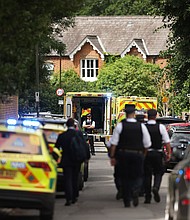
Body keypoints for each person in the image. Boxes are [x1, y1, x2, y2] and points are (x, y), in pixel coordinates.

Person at [109, 104, 152, 208]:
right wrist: (143, 154)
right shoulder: (141, 126)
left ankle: (127, 200)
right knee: (138, 175)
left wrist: (112, 156)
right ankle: (136, 191)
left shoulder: (120, 126)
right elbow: (147, 143)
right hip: (137, 155)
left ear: (125, 114)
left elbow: (114, 143)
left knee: (125, 177)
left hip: (123, 154)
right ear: (134, 114)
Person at [55, 118, 89, 206]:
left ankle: (68, 198)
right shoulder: (78, 134)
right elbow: (85, 145)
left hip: (66, 160)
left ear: (66, 125)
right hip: (77, 159)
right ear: (74, 125)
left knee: (67, 179)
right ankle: (75, 196)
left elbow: (56, 147)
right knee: (75, 177)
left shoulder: (62, 135)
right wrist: (86, 157)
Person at [144, 109, 171, 204]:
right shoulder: (161, 127)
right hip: (158, 153)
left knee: (146, 175)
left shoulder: (144, 127)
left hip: (146, 153)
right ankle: (156, 187)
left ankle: (147, 196)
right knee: (158, 172)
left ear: (147, 116)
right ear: (156, 116)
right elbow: (167, 142)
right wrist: (169, 154)